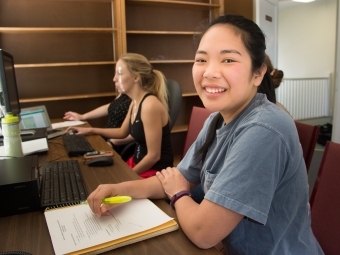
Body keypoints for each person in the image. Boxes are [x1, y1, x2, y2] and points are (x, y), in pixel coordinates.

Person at [85, 15, 324, 254]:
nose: (209, 72)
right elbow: (180, 176)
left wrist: (178, 194)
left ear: (258, 73)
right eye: (201, 59)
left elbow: (203, 232)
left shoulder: (264, 129)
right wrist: (120, 189)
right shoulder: (217, 119)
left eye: (228, 59)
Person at [66, 53, 174, 179]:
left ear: (135, 77)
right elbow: (122, 132)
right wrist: (90, 130)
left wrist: (127, 176)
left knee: (113, 187)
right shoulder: (135, 102)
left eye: (120, 73)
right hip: (139, 161)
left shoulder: (149, 106)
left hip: (156, 170)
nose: (114, 79)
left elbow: (154, 156)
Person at [63, 93, 133, 154]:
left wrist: (112, 142)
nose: (114, 79)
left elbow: (136, 132)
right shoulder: (124, 93)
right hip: (106, 136)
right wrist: (82, 116)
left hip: (118, 143)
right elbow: (111, 107)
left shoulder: (137, 101)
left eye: (120, 76)